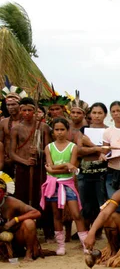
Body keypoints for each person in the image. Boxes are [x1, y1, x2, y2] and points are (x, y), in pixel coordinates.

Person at [40, 118, 88, 255]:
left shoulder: (73, 147)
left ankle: (85, 244)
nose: (59, 132)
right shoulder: (49, 147)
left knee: (76, 214)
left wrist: (55, 169)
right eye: (57, 130)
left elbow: (68, 169)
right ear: (53, 131)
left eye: (62, 129)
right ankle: (60, 245)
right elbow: (52, 167)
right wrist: (65, 165)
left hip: (68, 183)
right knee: (56, 214)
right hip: (53, 185)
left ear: (67, 131)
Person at [9, 97, 52, 240]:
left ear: (34, 111)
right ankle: (21, 229)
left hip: (39, 169)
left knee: (41, 198)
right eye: (24, 110)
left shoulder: (43, 127)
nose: (27, 113)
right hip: (23, 169)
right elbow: (12, 153)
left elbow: (48, 150)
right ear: (20, 111)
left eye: (30, 110)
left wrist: (38, 152)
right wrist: (25, 161)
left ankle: (47, 231)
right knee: (21, 198)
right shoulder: (16, 128)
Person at [0, 171, 44, 261]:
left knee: (29, 223)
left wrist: (15, 220)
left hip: (17, 237)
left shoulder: (12, 202)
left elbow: (36, 213)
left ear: (4, 193)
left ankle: (29, 253)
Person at [78, 102, 109, 227]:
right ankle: (85, 232)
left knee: (101, 203)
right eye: (94, 113)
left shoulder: (108, 130)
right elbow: (79, 150)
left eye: (100, 113)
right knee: (86, 203)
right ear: (90, 114)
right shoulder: (84, 130)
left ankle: (98, 230)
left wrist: (90, 145)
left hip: (103, 172)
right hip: (85, 171)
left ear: (105, 115)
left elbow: (109, 151)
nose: (97, 116)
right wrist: (98, 149)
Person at [0, 82, 26, 177]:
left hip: (22, 160)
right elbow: (0, 143)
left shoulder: (26, 123)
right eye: (8, 105)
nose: (10, 107)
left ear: (20, 105)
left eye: (13, 104)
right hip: (6, 161)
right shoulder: (3, 123)